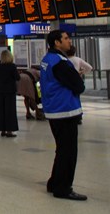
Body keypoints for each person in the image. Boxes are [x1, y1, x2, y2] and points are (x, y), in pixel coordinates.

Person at [41, 30, 87, 201]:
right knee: (69, 152)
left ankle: (54, 182)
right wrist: (78, 79)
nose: (69, 41)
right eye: (66, 39)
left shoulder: (47, 59)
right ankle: (63, 188)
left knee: (62, 149)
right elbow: (78, 86)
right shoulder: (60, 62)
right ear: (57, 43)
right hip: (65, 110)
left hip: (54, 110)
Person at [0, 50, 20, 137]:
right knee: (10, 111)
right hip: (10, 91)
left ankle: (2, 129)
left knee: (1, 110)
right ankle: (9, 130)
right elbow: (17, 77)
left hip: (0, 90)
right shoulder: (12, 66)